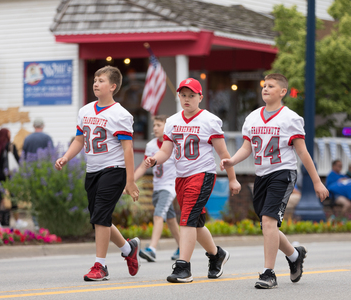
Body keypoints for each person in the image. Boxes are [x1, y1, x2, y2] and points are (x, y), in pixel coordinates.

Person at [220, 73, 329, 289]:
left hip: (283, 173)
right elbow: (246, 148)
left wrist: (316, 182)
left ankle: (269, 273)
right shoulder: (252, 117)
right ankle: (294, 255)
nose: (265, 89)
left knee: (269, 222)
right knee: (267, 225)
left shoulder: (290, 118)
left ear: (283, 92)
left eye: (271, 86)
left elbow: (303, 153)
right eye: (264, 86)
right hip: (261, 175)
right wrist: (231, 160)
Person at [145, 78, 241, 283]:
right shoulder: (172, 121)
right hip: (181, 177)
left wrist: (232, 179)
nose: (187, 99)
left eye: (192, 95)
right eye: (183, 95)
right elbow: (166, 151)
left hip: (203, 174)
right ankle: (217, 255)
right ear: (178, 96)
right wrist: (155, 160)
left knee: (187, 218)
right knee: (195, 223)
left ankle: (183, 267)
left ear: (200, 97)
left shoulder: (209, 120)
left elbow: (224, 153)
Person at [55, 65, 141, 282]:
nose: (95, 83)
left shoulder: (121, 114)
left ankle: (100, 265)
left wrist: (130, 181)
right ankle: (128, 249)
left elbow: (127, 149)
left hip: (114, 170)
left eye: (101, 80)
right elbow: (78, 140)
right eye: (94, 79)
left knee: (101, 215)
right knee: (98, 219)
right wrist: (66, 157)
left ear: (112, 86)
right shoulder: (85, 110)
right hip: (92, 171)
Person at [134, 115, 180, 262]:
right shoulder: (151, 146)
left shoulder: (173, 145)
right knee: (171, 219)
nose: (155, 128)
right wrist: (129, 182)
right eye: (154, 125)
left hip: (170, 187)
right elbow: (143, 166)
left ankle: (152, 249)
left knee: (159, 214)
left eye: (159, 125)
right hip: (158, 187)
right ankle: (182, 247)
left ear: (166, 127)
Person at [0, 128, 26, 229]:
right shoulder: (10, 146)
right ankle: (17, 221)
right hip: (8, 175)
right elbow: (17, 160)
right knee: (13, 197)